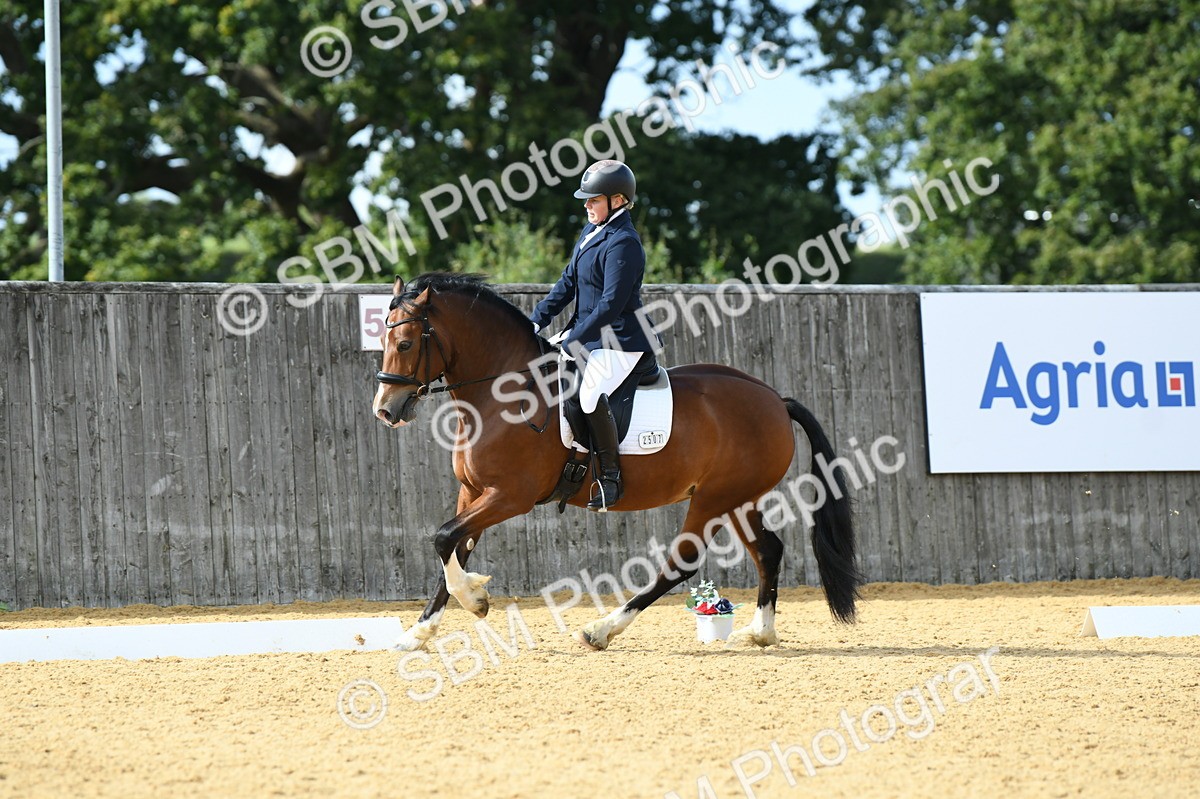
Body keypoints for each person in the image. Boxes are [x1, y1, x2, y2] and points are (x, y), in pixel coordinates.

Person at [529, 159, 660, 511]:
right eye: (585, 199)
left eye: (593, 199)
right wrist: (537, 320)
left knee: (587, 396)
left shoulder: (624, 243)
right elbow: (567, 283)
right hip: (590, 335)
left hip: (622, 339)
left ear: (617, 200)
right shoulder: (591, 233)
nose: (586, 205)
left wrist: (572, 340)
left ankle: (611, 479)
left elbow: (611, 305)